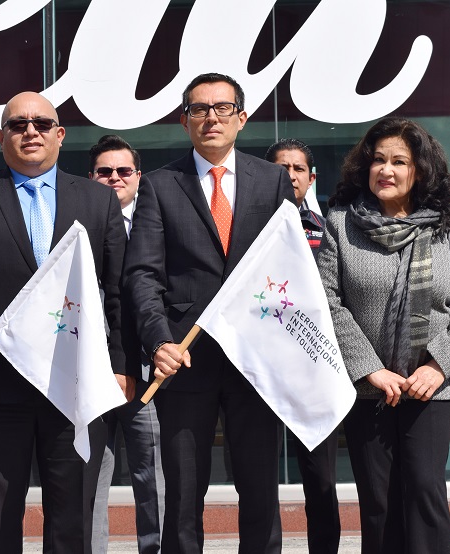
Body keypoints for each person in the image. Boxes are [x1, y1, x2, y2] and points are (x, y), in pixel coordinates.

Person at [0, 91, 133, 554]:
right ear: (2, 137)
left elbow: (119, 290)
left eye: (41, 123)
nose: (30, 131)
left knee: (73, 519)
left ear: (60, 135)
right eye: (18, 125)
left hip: (75, 385)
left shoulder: (99, 201)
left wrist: (120, 365)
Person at [122, 72, 295, 553]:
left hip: (255, 361)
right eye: (199, 109)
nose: (211, 117)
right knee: (181, 493)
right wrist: (158, 340)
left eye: (222, 108)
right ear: (184, 120)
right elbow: (142, 275)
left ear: (241, 118)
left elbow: (290, 268)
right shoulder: (159, 185)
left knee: (260, 490)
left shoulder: (273, 180)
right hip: (185, 356)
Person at [317, 117, 450, 554]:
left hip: (430, 389)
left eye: (399, 161)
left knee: (426, 493)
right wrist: (371, 370)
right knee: (378, 503)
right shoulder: (340, 224)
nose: (386, 170)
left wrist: (438, 367)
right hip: (368, 391)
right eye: (378, 160)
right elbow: (328, 304)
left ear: (420, 170)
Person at [88, 135, 163, 554]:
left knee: (153, 480)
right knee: (89, 483)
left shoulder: (157, 222)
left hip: (148, 373)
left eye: (123, 171)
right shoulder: (75, 222)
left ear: (138, 176)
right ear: (91, 178)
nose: (114, 178)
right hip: (88, 374)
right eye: (104, 172)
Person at [265, 139, 339, 554]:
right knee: (259, 480)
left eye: (298, 168)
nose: (290, 174)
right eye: (282, 167)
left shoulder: (327, 230)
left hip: (314, 368)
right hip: (261, 367)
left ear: (312, 178)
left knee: (321, 479)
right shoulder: (249, 225)